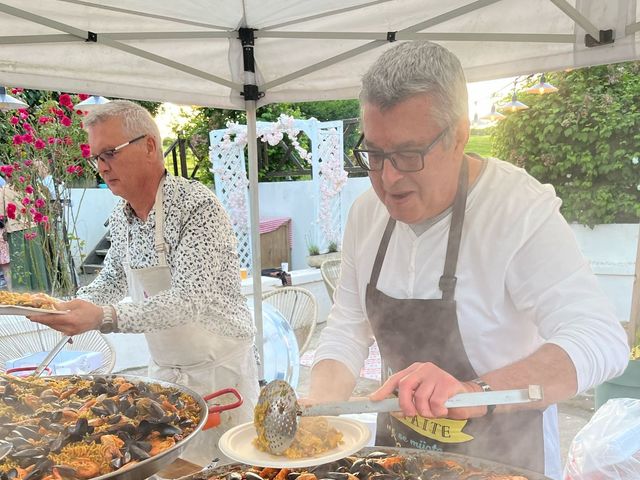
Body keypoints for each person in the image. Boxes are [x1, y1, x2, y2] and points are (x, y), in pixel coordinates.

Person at [308, 41, 628, 479]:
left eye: (407, 154)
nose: (388, 178)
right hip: (398, 456)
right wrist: (319, 410)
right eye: (376, 155)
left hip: (504, 461)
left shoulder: (517, 208)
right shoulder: (366, 215)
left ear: (459, 136)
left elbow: (600, 339)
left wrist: (473, 392)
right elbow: (346, 329)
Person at [29, 100, 259, 466]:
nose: (102, 167)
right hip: (168, 373)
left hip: (221, 373)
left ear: (150, 146)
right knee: (174, 467)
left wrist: (104, 317)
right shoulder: (121, 218)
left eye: (110, 153)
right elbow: (114, 278)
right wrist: (69, 306)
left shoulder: (197, 206)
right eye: (96, 157)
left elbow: (188, 299)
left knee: (231, 468)